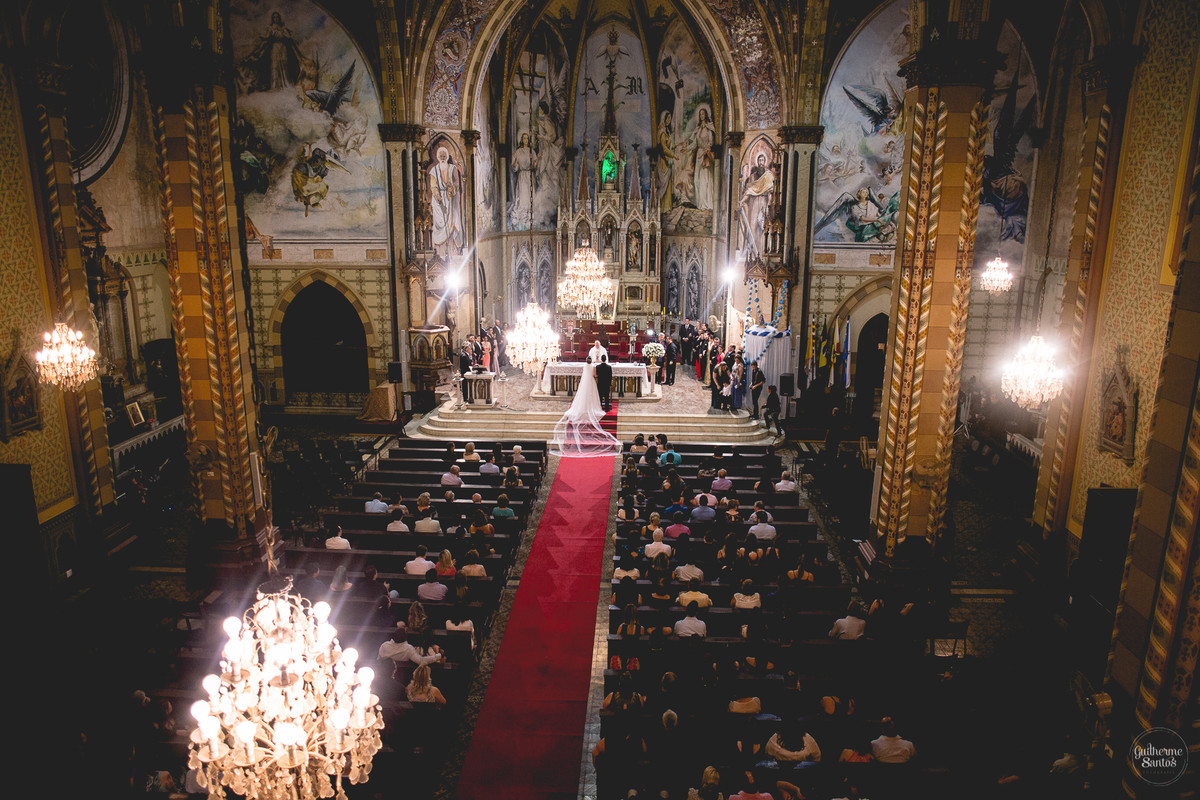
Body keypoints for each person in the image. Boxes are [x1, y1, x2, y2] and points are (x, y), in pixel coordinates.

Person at [552, 354, 621, 456]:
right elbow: (596, 376)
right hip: (597, 383)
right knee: (599, 396)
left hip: (587, 384)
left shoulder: (587, 367)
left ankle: (588, 406)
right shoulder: (598, 367)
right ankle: (603, 407)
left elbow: (595, 375)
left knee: (586, 395)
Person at [378, 626, 443, 667]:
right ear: (405, 638)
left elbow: (378, 660)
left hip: (385, 671)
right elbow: (421, 661)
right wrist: (438, 656)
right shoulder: (408, 649)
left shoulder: (384, 645)